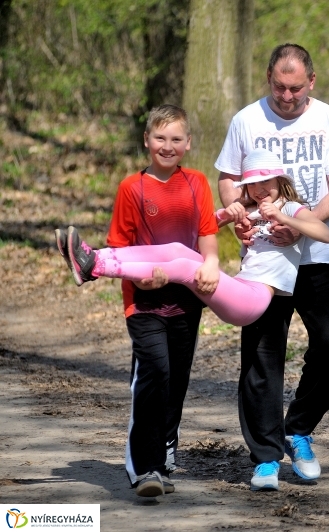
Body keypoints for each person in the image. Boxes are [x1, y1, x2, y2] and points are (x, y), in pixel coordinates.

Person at [55, 104, 220, 498]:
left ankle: (164, 451)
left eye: (176, 139)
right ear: (146, 141)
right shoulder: (132, 187)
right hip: (143, 301)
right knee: (154, 373)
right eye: (160, 138)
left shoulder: (198, 182)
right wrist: (143, 282)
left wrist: (212, 264)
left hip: (188, 299)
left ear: (188, 143)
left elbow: (208, 240)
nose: (168, 146)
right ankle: (144, 467)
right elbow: (122, 250)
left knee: (176, 380)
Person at [215, 43, 329, 491]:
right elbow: (227, 179)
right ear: (269, 79)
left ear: (311, 82)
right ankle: (264, 457)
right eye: (279, 86)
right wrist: (238, 217)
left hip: (320, 259)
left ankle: (298, 430)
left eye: (296, 87)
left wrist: (300, 224)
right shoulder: (246, 120)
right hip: (265, 262)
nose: (287, 95)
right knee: (261, 358)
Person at [57, 150, 329, 328]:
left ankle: (94, 267)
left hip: (254, 298)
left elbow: (325, 233)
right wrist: (225, 214)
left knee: (189, 269)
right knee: (178, 249)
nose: (260, 190)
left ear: (280, 182)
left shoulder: (291, 208)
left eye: (267, 183)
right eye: (253, 184)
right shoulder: (249, 209)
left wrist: (284, 218)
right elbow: (197, 231)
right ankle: (94, 257)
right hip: (237, 287)